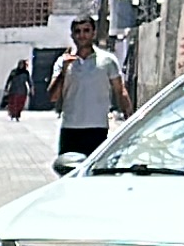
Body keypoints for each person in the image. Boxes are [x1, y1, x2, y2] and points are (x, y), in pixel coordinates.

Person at [45, 17, 130, 158]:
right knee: (68, 169)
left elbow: (120, 91)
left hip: (98, 129)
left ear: (93, 33)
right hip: (70, 128)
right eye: (77, 31)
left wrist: (129, 120)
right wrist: (63, 72)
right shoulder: (63, 62)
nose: (82, 35)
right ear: (72, 35)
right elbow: (53, 96)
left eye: (86, 31)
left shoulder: (107, 61)